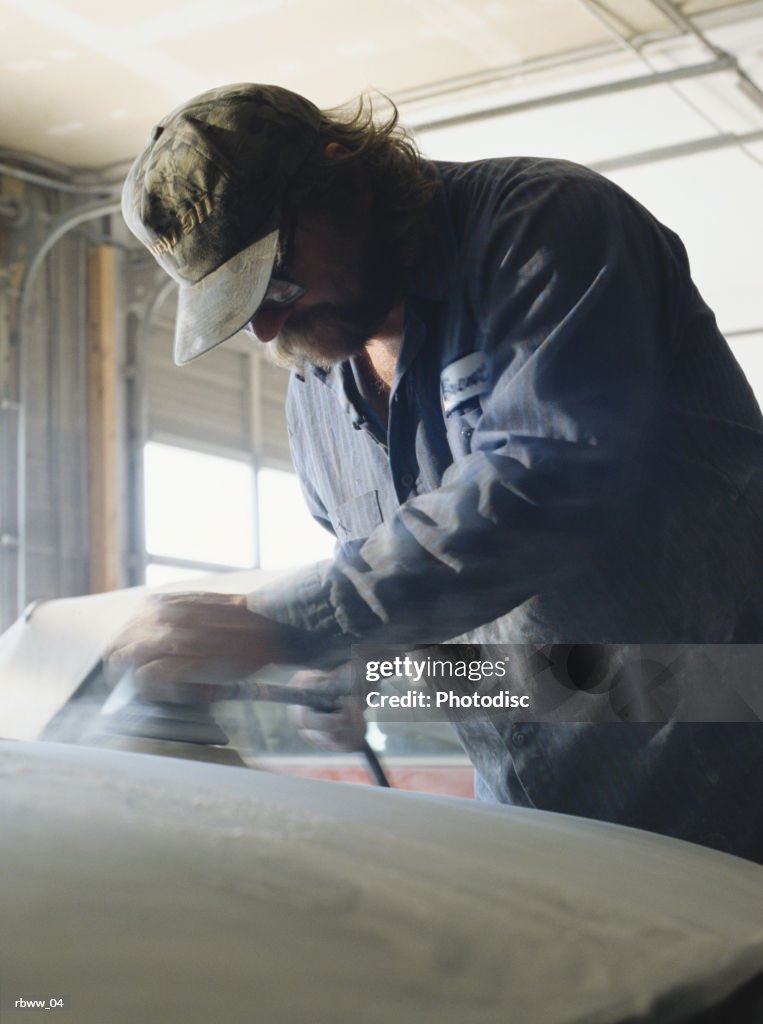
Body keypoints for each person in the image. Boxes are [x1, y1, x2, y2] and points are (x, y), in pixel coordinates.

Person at [107, 82, 763, 861]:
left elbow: (543, 488)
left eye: (273, 278)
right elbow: (511, 656)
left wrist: (286, 621)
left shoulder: (542, 225)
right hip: (540, 814)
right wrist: (361, 673)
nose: (269, 325)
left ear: (341, 174)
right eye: (240, 308)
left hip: (728, 759)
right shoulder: (317, 395)